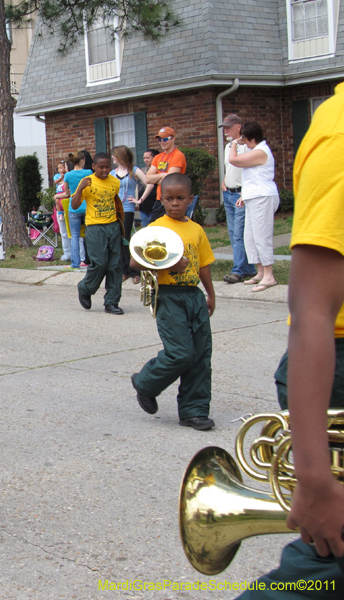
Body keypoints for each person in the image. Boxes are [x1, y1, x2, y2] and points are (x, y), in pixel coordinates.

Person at [234, 83, 344, 600]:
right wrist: (315, 479)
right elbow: (312, 311)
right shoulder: (339, 131)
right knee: (323, 571)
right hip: (336, 361)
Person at [130, 173, 216, 431]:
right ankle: (146, 382)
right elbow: (135, 261)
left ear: (191, 199)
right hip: (168, 296)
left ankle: (194, 411)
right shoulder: (156, 228)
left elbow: (204, 264)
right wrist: (169, 264)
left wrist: (210, 294)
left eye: (180, 198)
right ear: (162, 199)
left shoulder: (196, 229)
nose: (175, 203)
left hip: (194, 296)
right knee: (180, 353)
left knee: (200, 355)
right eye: (169, 198)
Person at [228, 121, 280, 293]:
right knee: (249, 237)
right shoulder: (254, 151)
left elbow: (234, 160)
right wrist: (243, 195)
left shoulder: (261, 151)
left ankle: (269, 275)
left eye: (244, 138)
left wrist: (234, 143)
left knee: (261, 236)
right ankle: (260, 272)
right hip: (253, 196)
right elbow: (252, 176)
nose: (242, 141)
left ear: (251, 138)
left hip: (263, 197)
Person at [74, 153, 124, 315]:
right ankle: (85, 288)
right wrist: (80, 189)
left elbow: (115, 202)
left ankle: (112, 302)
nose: (105, 170)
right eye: (101, 167)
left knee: (115, 265)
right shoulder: (87, 182)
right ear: (94, 166)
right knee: (100, 263)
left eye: (108, 167)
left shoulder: (115, 182)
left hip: (112, 226)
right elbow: (74, 205)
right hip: (95, 228)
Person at [219, 115, 257, 284]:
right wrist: (224, 181)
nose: (225, 131)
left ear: (238, 127)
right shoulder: (228, 146)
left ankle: (238, 270)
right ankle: (248, 268)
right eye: (224, 128)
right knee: (233, 233)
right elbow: (230, 168)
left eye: (228, 127)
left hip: (240, 194)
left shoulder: (246, 146)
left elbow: (251, 170)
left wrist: (244, 192)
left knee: (239, 234)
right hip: (228, 193)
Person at [111, 145, 149, 284]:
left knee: (125, 237)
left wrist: (139, 200)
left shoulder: (134, 170)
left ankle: (134, 271)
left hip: (127, 208)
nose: (112, 157)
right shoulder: (112, 173)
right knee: (118, 239)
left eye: (114, 155)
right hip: (115, 209)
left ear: (120, 155)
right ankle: (124, 270)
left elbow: (149, 183)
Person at [145, 127, 187, 220]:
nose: (162, 142)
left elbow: (170, 181)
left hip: (173, 200)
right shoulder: (157, 157)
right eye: (160, 140)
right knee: (154, 227)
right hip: (160, 199)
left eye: (165, 139)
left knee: (172, 227)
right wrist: (163, 175)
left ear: (173, 138)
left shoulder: (178, 155)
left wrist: (156, 178)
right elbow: (147, 179)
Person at [61, 151, 94, 268]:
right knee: (90, 235)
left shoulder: (68, 175)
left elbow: (67, 193)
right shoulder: (88, 172)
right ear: (82, 161)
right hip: (87, 207)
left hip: (74, 207)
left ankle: (75, 263)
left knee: (75, 236)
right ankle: (92, 260)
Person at [52, 161, 71, 262]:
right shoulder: (57, 177)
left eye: (62, 167)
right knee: (63, 232)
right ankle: (66, 253)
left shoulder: (69, 177)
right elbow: (56, 182)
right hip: (59, 207)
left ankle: (74, 254)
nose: (60, 170)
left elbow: (69, 193)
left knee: (71, 232)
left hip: (68, 207)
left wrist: (58, 196)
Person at [136, 149, 160, 226]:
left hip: (155, 205)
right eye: (144, 158)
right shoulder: (141, 171)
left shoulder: (159, 172)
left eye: (148, 158)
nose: (145, 160)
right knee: (145, 229)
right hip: (143, 205)